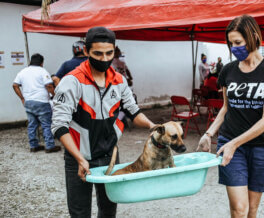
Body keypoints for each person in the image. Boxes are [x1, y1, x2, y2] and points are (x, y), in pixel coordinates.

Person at [51, 27, 156, 217]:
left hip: (110, 155)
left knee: (108, 210)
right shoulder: (71, 82)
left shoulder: (119, 80)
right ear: (86, 52)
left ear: (114, 50)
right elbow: (59, 126)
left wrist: (152, 125)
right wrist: (80, 159)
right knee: (80, 212)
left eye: (109, 53)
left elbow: (133, 111)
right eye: (97, 53)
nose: (104, 58)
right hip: (79, 157)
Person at [197, 15, 264, 218]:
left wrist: (234, 143)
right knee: (239, 209)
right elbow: (226, 108)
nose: (234, 47)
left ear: (253, 37)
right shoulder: (228, 70)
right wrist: (209, 133)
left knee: (252, 210)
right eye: (231, 43)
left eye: (238, 42)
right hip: (230, 144)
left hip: (263, 147)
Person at [12, 53, 61, 153]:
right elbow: (49, 85)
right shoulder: (42, 71)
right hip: (41, 101)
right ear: (41, 63)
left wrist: (22, 98)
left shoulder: (23, 72)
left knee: (32, 125)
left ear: (31, 61)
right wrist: (54, 95)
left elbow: (15, 85)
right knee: (46, 124)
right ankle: (49, 146)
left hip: (28, 102)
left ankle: (33, 146)